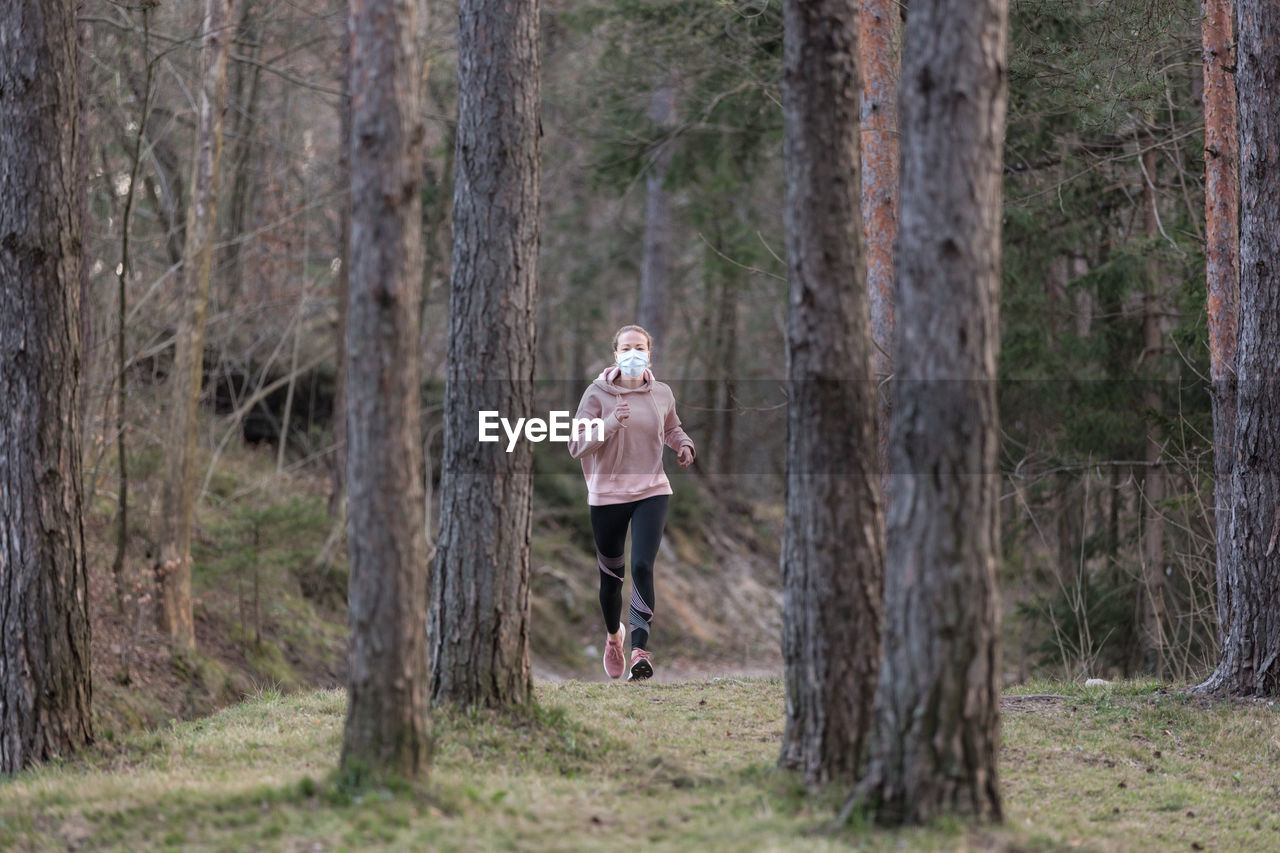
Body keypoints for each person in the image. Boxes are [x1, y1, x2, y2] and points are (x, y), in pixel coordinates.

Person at [566, 324, 695, 681]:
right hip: (607, 495)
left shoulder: (662, 393)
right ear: (616, 354)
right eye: (627, 347)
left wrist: (683, 445)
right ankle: (614, 638)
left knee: (641, 565)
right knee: (611, 579)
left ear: (649, 353)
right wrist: (608, 423)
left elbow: (671, 428)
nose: (633, 353)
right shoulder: (596, 394)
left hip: (652, 489)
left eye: (640, 347)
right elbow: (575, 445)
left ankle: (640, 650)